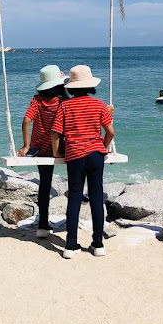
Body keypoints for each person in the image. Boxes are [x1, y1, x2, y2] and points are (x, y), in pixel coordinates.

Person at [51, 64, 114, 259]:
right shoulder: (99, 105)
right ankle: (98, 244)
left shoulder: (65, 106)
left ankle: (70, 245)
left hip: (75, 156)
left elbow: (55, 133)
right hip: (96, 155)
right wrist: (102, 146)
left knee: (75, 197)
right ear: (90, 85)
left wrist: (57, 153)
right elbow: (110, 132)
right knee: (96, 197)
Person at [17, 64, 67, 238]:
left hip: (40, 149)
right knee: (76, 182)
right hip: (62, 148)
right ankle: (72, 220)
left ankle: (43, 225)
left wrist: (26, 146)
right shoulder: (63, 101)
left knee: (44, 186)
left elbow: (26, 120)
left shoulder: (37, 100)